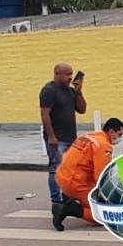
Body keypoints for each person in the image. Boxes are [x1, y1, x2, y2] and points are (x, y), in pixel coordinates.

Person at [52, 118, 123, 231]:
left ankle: (69, 198)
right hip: (75, 183)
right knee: (106, 215)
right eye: (119, 134)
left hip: (64, 177)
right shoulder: (103, 145)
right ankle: (70, 209)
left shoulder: (90, 136)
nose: (120, 138)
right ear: (111, 132)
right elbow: (101, 177)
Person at [40, 64, 87, 219]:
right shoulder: (49, 90)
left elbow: (82, 109)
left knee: (69, 170)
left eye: (71, 74)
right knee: (56, 168)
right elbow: (45, 114)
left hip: (70, 138)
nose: (70, 77)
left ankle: (67, 198)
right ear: (57, 74)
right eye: (67, 74)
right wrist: (51, 136)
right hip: (57, 139)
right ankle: (56, 201)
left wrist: (79, 91)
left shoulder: (70, 91)